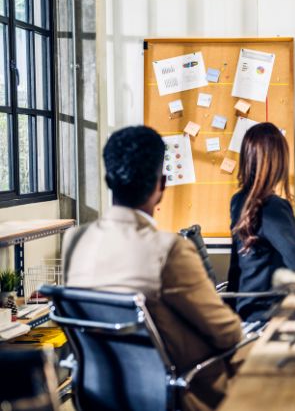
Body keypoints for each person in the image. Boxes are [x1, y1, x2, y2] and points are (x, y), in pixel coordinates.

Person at [62, 126, 242, 411]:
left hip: (100, 395)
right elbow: (227, 334)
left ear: (109, 180)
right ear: (162, 184)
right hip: (182, 392)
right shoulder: (169, 250)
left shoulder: (75, 240)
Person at [228, 122, 295, 322]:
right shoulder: (273, 207)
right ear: (278, 161)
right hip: (268, 313)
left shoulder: (239, 200)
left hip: (246, 309)